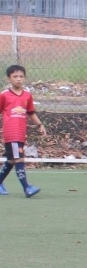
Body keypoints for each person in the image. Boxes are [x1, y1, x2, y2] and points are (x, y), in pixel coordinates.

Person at [0, 64, 47, 198]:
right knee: (19, 159)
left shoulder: (27, 95)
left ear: (24, 78)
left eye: (21, 76)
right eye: (15, 76)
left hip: (21, 133)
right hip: (11, 133)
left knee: (11, 160)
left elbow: (31, 112)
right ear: (9, 78)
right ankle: (27, 188)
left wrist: (40, 125)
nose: (18, 79)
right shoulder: (4, 95)